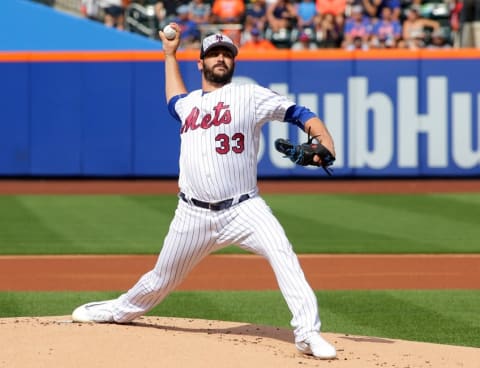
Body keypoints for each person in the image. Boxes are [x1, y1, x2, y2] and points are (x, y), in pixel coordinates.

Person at [71, 24, 337, 360]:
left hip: (244, 209)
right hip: (193, 214)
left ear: (234, 62)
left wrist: (324, 140)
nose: (221, 58)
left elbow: (299, 113)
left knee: (283, 254)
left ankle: (307, 333)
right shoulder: (189, 105)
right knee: (160, 279)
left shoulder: (249, 96)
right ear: (201, 63)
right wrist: (169, 54)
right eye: (213, 53)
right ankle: (118, 311)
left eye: (227, 53)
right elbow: (174, 100)